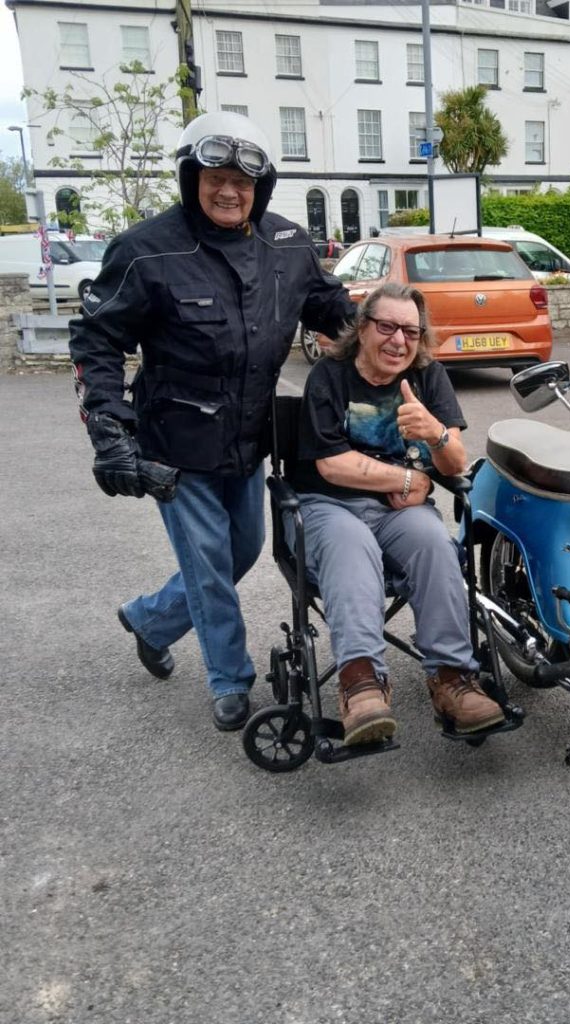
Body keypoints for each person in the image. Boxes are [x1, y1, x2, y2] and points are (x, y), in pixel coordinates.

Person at [69, 111, 357, 732]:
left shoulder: (287, 244)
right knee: (208, 563)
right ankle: (230, 680)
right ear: (189, 177)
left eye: (242, 181)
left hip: (250, 438)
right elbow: (95, 340)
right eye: (214, 176)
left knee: (243, 549)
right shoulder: (147, 250)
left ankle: (151, 619)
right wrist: (110, 431)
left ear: (262, 187)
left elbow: (327, 304)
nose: (229, 191)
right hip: (175, 441)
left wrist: (383, 336)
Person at [292, 282, 506, 746]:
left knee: (434, 545)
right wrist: (411, 480)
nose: (399, 340)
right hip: (330, 503)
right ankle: (361, 682)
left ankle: (452, 679)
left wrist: (436, 435)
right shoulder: (329, 377)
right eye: (387, 327)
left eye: (411, 330)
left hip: (401, 514)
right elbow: (332, 465)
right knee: (353, 547)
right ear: (362, 329)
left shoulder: (429, 377)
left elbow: (454, 464)